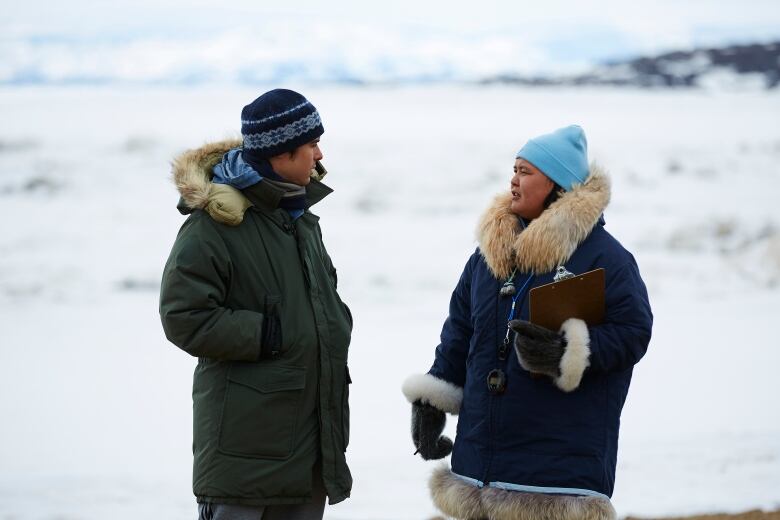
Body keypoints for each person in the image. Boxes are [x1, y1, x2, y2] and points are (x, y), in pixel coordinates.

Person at [402, 125, 652, 520]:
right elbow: (460, 333)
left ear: (557, 184)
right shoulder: (487, 258)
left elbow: (633, 332)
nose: (513, 180)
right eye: (514, 169)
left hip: (557, 475)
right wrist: (433, 400)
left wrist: (568, 353)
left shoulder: (606, 258)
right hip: (478, 467)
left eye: (525, 171)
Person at [159, 89, 353, 520]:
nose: (320, 154)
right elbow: (182, 316)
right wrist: (265, 334)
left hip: (307, 448)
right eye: (311, 144)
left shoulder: (298, 218)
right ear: (281, 155)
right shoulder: (213, 226)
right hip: (244, 454)